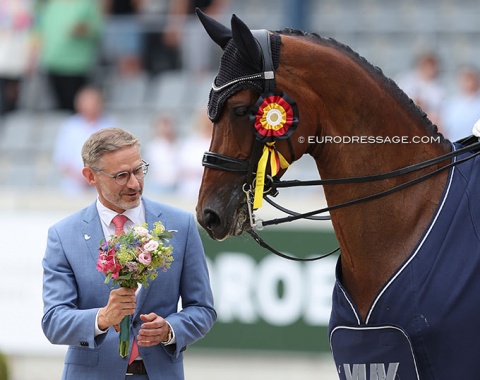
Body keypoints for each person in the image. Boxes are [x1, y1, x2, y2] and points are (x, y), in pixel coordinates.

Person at [42, 127, 216, 379]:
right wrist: (102, 318)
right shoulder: (64, 235)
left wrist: (170, 330)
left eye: (138, 170)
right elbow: (54, 322)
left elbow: (203, 309)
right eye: (121, 175)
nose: (134, 183)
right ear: (91, 176)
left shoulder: (181, 224)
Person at [32, 0, 104, 112]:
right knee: (59, 108)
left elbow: (97, 28)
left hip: (77, 65)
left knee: (78, 108)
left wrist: (82, 29)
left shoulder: (86, 4)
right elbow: (40, 31)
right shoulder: (51, 5)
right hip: (53, 64)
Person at [52, 85, 115, 195]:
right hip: (73, 187)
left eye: (94, 101)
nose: (91, 105)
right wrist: (81, 178)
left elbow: (115, 157)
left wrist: (97, 177)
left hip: (102, 186)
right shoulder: (69, 126)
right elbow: (61, 158)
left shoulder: (110, 126)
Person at [0, 0, 35, 115]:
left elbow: (33, 32)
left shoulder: (30, 4)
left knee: (11, 103)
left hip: (17, 63)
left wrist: (31, 58)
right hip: (4, 60)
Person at [396, 52, 446, 127]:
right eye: (427, 66)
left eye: (432, 67)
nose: (430, 70)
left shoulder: (439, 88)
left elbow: (437, 112)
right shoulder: (406, 80)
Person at [441, 66, 480, 142]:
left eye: (470, 78)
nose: (467, 82)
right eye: (464, 79)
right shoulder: (451, 103)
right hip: (455, 145)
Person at [143, 113, 179, 194]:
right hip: (159, 187)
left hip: (177, 186)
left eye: (169, 124)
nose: (167, 128)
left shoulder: (181, 145)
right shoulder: (152, 147)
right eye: (164, 125)